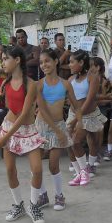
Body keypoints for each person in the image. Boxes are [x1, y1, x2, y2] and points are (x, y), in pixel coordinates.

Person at [0, 46, 46, 223]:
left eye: (6, 58)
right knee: (10, 169)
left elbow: (24, 114)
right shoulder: (5, 83)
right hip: (9, 127)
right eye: (2, 59)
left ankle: (33, 205)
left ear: (17, 60)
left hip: (26, 129)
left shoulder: (31, 84)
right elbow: (0, 103)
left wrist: (5, 138)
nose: (3, 62)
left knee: (37, 169)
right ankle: (18, 205)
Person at [35, 49, 79, 210]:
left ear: (56, 61)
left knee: (53, 164)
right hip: (41, 126)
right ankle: (43, 195)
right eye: (41, 62)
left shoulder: (66, 84)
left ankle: (59, 195)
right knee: (36, 166)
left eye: (47, 61)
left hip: (59, 125)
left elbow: (77, 107)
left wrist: (75, 122)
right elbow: (43, 110)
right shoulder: (38, 85)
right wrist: (59, 131)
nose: (43, 65)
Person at [66, 50, 107, 186]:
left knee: (84, 141)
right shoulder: (71, 80)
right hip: (74, 115)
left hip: (87, 116)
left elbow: (90, 100)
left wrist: (75, 120)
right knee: (70, 143)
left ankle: (88, 168)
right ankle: (80, 172)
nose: (69, 65)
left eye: (72, 62)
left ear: (81, 62)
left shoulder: (92, 77)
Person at [89, 57, 112, 166]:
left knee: (99, 133)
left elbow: (107, 100)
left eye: (91, 66)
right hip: (90, 110)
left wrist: (96, 99)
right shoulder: (88, 80)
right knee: (90, 134)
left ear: (98, 67)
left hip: (101, 110)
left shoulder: (105, 82)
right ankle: (92, 154)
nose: (89, 68)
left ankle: (97, 154)